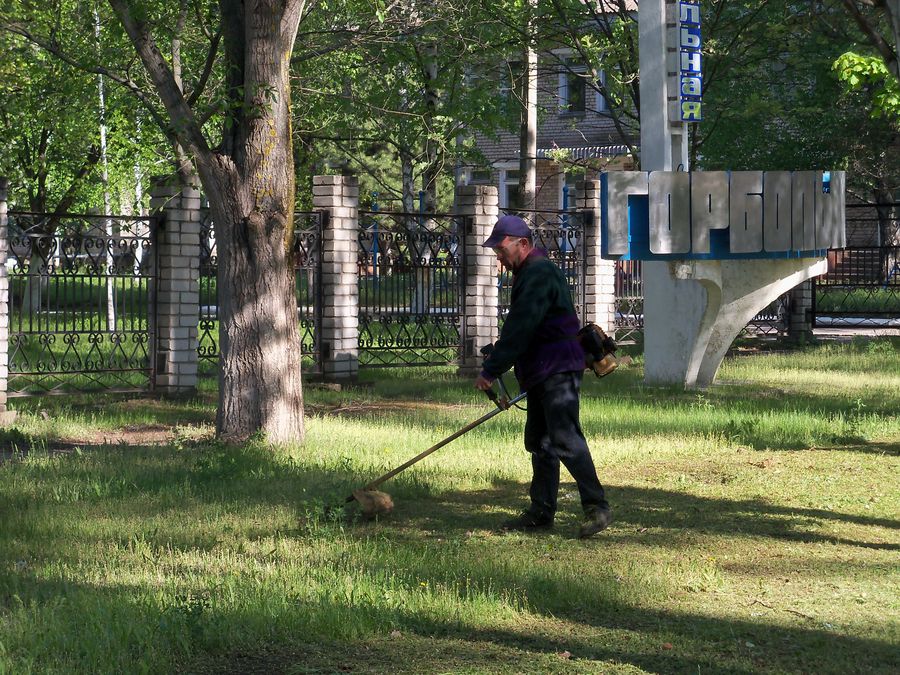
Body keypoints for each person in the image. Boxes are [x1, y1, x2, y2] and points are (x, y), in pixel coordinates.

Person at [474, 214, 611, 539]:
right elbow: (525, 327)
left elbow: (521, 327)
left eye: (501, 249)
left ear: (522, 244)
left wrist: (491, 370)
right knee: (540, 441)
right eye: (496, 251)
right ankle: (541, 512)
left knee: (564, 438)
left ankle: (598, 507)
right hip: (542, 369)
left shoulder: (538, 272)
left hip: (556, 368)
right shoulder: (530, 272)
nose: (499, 257)